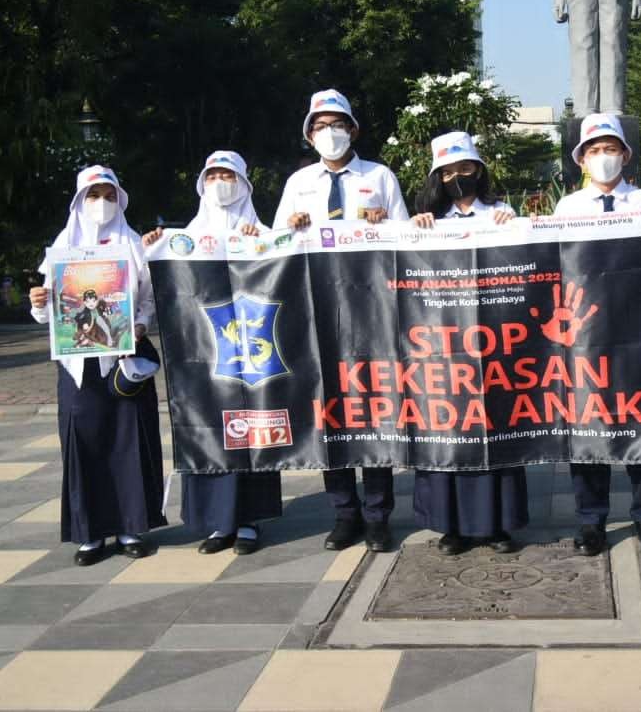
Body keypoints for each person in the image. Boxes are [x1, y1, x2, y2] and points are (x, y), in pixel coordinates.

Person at [273, 89, 409, 552]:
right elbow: (275, 250)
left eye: (338, 124)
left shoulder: (380, 176)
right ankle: (344, 513)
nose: (329, 133)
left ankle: (378, 516)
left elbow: (407, 241)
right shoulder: (299, 182)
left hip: (370, 312)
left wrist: (384, 221)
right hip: (317, 312)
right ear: (309, 135)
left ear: (353, 129)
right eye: (320, 126)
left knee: (372, 411)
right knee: (329, 412)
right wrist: (288, 227)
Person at [144, 151, 284, 555]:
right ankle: (216, 523)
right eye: (213, 175)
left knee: (252, 426)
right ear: (202, 184)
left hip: (252, 350)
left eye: (229, 174)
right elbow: (155, 288)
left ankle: (249, 520)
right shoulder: (184, 238)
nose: (220, 182)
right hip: (204, 350)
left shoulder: (262, 232)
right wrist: (153, 246)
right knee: (209, 429)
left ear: (244, 183)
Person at [29, 166, 166, 566]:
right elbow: (49, 312)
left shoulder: (132, 244)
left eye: (108, 194)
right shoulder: (62, 246)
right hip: (78, 367)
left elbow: (149, 298)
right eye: (92, 195)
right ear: (78, 201)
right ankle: (89, 534)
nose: (101, 203)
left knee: (128, 440)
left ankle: (131, 527)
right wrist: (38, 304)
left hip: (122, 360)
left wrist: (140, 323)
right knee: (83, 441)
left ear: (119, 199)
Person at [551, 112, 641, 557]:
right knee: (587, 427)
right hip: (586, 336)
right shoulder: (567, 208)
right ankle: (591, 521)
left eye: (611, 149)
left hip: (638, 331)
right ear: (582, 159)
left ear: (625, 154)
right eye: (595, 151)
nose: (604, 158)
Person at [408, 131, 527, 554]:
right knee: (447, 427)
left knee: (496, 425)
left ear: (479, 169)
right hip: (441, 344)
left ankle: (498, 525)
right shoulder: (426, 221)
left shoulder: (501, 212)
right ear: (437, 178)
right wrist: (416, 229)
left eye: (465, 169)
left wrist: (511, 227)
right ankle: (450, 526)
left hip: (494, 339)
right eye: (447, 172)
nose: (457, 177)